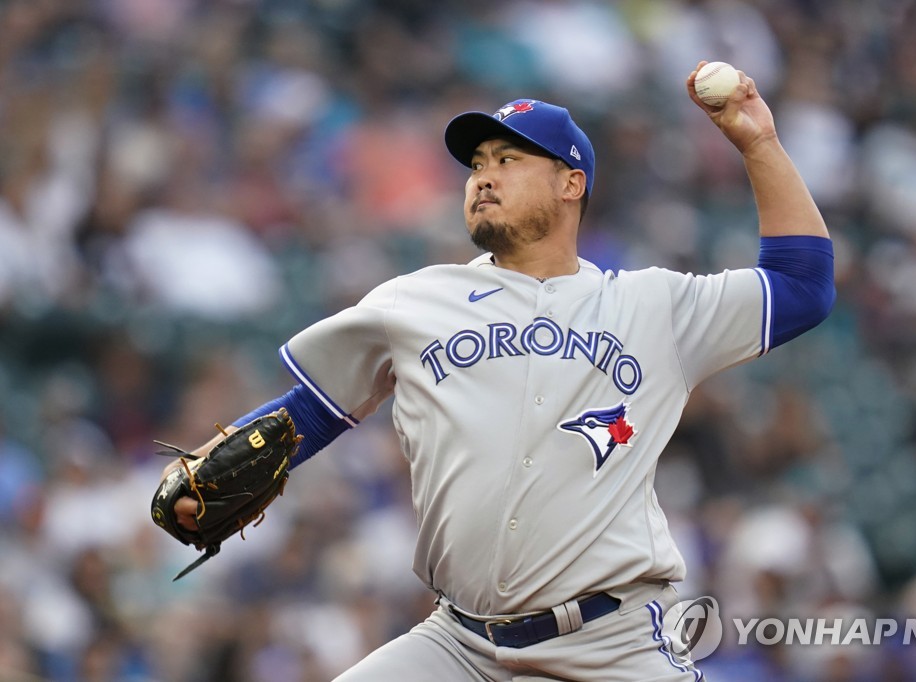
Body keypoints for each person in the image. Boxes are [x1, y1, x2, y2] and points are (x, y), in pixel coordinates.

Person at [162, 61, 835, 681]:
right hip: (458, 645)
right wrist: (208, 470)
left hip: (612, 645)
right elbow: (308, 413)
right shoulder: (414, 301)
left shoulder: (654, 305)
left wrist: (758, 146)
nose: (483, 174)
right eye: (477, 162)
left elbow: (803, 286)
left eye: (509, 159)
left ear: (572, 184)